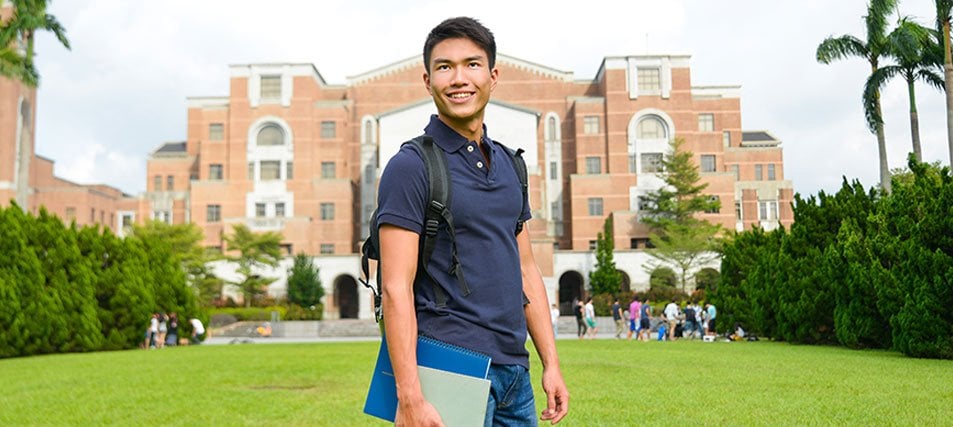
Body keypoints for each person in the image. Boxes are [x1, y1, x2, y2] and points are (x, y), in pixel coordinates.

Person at [376, 17, 568, 426]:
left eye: (472, 64)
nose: (459, 78)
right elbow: (394, 287)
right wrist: (409, 395)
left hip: (515, 371)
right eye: (444, 67)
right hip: (449, 363)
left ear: (493, 76)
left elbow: (527, 270)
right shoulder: (410, 166)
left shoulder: (511, 165)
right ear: (427, 80)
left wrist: (550, 362)